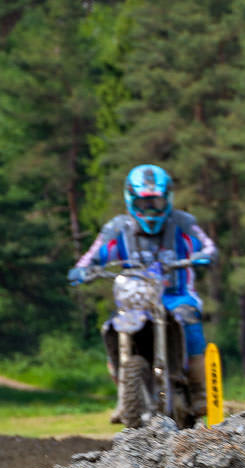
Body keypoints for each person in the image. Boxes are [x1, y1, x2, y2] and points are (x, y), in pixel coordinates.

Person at [68, 164, 217, 420]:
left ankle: (199, 393)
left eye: (156, 203)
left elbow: (207, 246)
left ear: (167, 199)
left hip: (176, 296)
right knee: (111, 328)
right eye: (143, 204)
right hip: (136, 299)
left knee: (190, 320)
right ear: (130, 200)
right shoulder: (118, 228)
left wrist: (203, 256)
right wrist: (82, 270)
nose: (150, 210)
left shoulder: (182, 223)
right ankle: (125, 396)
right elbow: (92, 255)